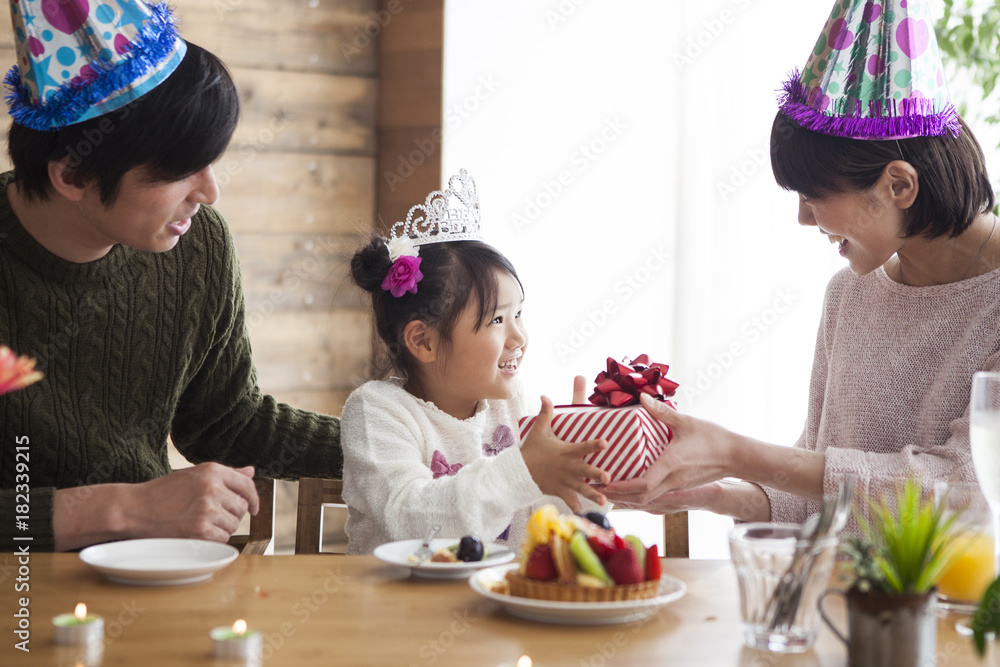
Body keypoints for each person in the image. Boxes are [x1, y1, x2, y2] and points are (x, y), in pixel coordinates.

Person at [603, 0, 998, 525]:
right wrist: (707, 493)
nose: (803, 219)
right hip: (837, 598)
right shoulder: (849, 294)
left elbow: (959, 494)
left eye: (812, 195)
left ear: (899, 184)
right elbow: (826, 479)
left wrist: (736, 451)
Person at [0, 2, 341, 551]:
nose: (209, 193)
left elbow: (228, 423)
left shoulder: (197, 245)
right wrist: (121, 508)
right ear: (72, 172)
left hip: (149, 584)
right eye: (180, 169)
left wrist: (419, 445)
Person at [341, 170, 609, 553]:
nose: (519, 337)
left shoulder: (513, 405)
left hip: (494, 605)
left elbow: (542, 525)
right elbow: (411, 519)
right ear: (423, 341)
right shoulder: (377, 410)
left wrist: (581, 472)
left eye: (519, 315)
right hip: (394, 609)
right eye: (498, 320)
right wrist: (524, 470)